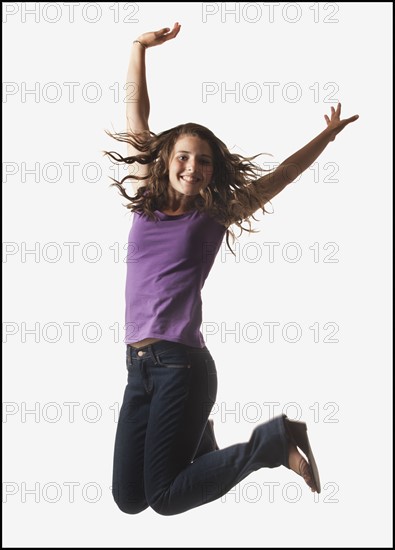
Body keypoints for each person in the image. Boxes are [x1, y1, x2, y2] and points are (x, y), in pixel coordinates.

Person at [105, 23, 359, 516]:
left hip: (182, 366)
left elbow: (281, 176)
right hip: (137, 368)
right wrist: (138, 49)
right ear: (166, 159)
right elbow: (136, 112)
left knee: (163, 499)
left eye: (202, 162)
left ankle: (271, 443)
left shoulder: (214, 213)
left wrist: (325, 137)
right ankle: (202, 437)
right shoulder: (144, 197)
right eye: (183, 157)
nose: (192, 168)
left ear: (212, 170)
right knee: (129, 497)